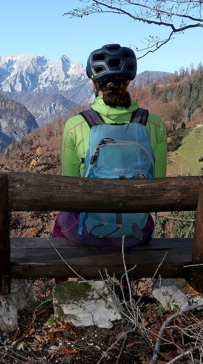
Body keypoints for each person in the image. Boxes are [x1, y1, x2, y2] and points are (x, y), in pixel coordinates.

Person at [52, 43, 167, 247]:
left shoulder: (76, 125)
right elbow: (158, 182)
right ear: (129, 81)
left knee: (62, 219)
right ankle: (124, 280)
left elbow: (68, 188)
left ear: (93, 83)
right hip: (137, 231)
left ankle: (67, 280)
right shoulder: (154, 123)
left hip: (90, 229)